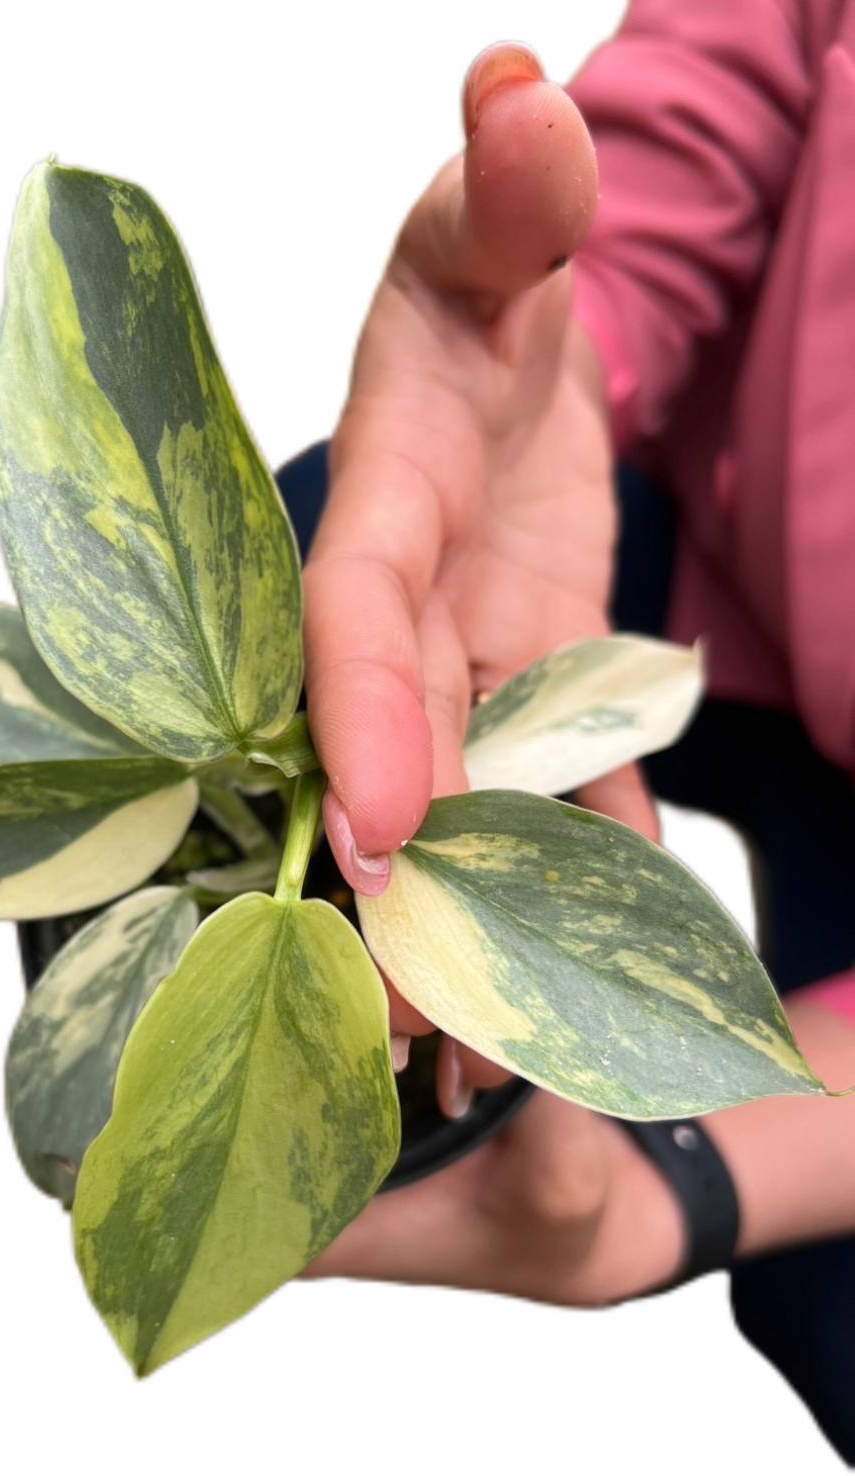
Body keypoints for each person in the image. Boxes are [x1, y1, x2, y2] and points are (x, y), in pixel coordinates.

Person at [281, 5, 854, 1463]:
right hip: (732, 534)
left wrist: (675, 1183)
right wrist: (562, 339)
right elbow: (754, 52)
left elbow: (725, 1148)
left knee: (830, 1306)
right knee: (352, 552)